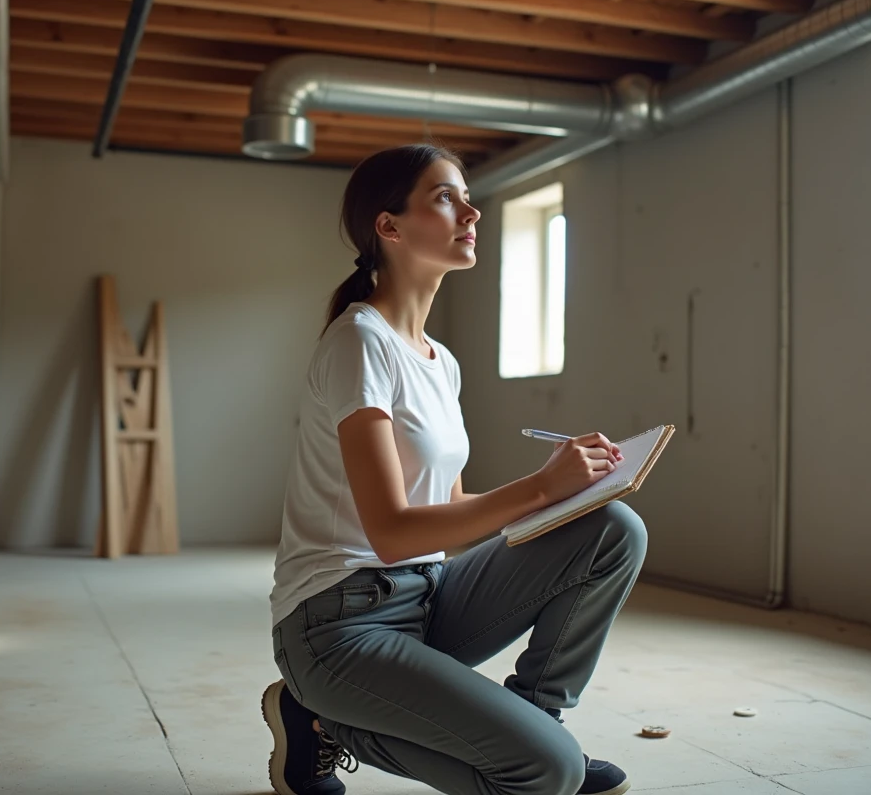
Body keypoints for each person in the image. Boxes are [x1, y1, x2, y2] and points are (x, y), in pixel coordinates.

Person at [261, 144, 647, 795]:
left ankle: (537, 714)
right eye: (445, 197)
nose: (472, 211)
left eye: (466, 196)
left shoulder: (441, 359)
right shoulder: (360, 342)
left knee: (613, 528)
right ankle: (322, 717)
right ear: (389, 226)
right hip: (339, 626)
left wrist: (564, 491)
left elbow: (450, 508)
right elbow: (390, 532)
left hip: (427, 596)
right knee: (548, 771)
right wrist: (540, 487)